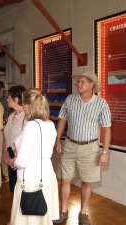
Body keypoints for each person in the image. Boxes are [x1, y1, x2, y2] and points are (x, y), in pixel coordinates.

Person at [53, 71, 111, 225]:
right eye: (78, 81)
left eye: (82, 81)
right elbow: (62, 120)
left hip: (90, 149)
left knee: (87, 182)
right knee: (65, 180)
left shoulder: (101, 103)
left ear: (92, 84)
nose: (78, 84)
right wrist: (57, 140)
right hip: (70, 145)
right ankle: (63, 211)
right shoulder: (70, 100)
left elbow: (106, 129)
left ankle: (83, 213)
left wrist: (104, 152)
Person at [4, 88, 59, 225]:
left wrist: (12, 161)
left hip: (30, 181)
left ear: (28, 105)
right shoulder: (50, 124)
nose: (23, 107)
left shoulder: (32, 126)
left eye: (23, 104)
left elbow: (22, 162)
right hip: (47, 176)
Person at [3, 85, 26, 193]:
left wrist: (15, 158)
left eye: (9, 97)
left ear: (16, 99)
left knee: (21, 190)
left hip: (19, 159)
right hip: (10, 157)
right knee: (13, 189)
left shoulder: (26, 117)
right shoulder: (11, 116)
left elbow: (26, 140)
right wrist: (5, 153)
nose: (7, 99)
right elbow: (6, 135)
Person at [0, 80, 12, 184]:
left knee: (4, 150)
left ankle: (6, 175)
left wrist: (6, 118)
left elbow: (13, 111)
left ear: (2, 89)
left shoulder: (5, 100)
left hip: (5, 127)